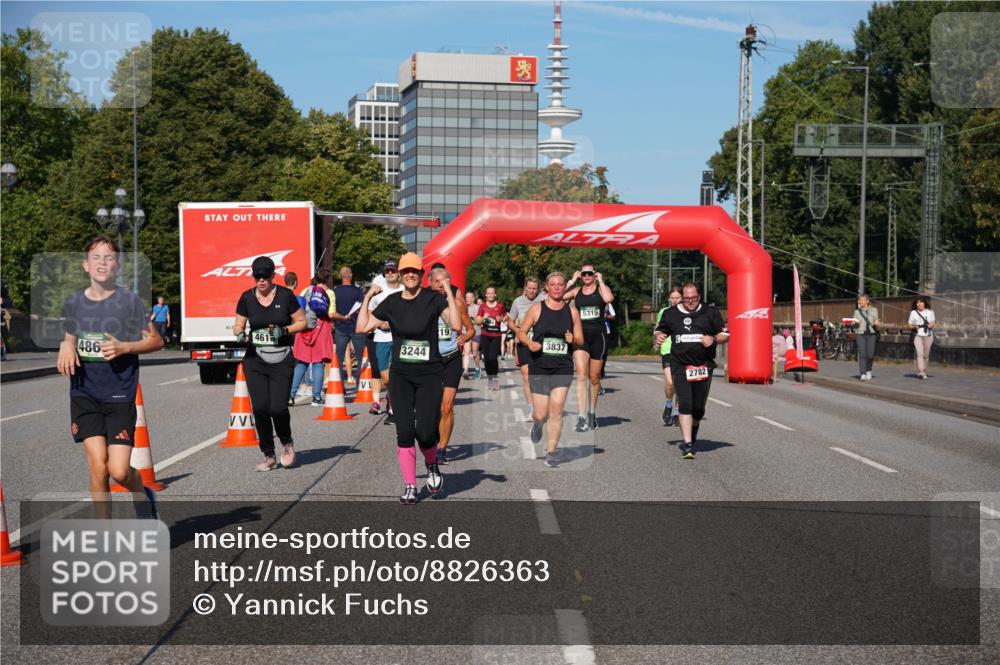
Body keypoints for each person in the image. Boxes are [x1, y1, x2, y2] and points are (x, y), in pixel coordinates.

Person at [57, 236, 163, 519]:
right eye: (96, 257)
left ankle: (140, 489)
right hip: (84, 392)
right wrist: (66, 345)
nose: (102, 263)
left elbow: (156, 341)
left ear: (116, 266)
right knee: (97, 465)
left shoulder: (129, 302)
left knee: (117, 471)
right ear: (85, 265)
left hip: (119, 393)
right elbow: (69, 337)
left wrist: (125, 347)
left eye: (108, 258)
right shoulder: (75, 303)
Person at [357, 252, 461, 504]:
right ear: (401, 276)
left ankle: (432, 463)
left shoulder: (433, 299)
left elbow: (457, 325)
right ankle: (410, 485)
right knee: (404, 432)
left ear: (421, 274)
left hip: (429, 374)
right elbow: (362, 327)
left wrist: (447, 291)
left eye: (415, 271)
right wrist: (368, 297)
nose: (410, 275)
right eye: (406, 272)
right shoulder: (391, 302)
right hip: (401, 374)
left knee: (425, 433)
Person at [233, 255, 307, 471]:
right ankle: (268, 454)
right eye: (257, 276)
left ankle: (286, 443)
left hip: (281, 358)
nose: (261, 280)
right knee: (261, 409)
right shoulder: (246, 298)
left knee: (278, 408)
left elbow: (301, 322)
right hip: (255, 360)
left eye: (265, 276)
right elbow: (238, 325)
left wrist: (284, 330)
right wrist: (240, 334)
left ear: (273, 276)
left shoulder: (285, 296)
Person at [653, 282, 729, 459]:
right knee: (685, 404)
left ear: (699, 297)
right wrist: (659, 336)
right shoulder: (671, 314)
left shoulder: (710, 312)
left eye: (693, 298)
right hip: (679, 364)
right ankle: (687, 444)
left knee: (698, 408)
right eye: (686, 299)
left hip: (703, 365)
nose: (690, 302)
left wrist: (713, 339)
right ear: (682, 298)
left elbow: (726, 334)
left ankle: (693, 430)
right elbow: (659, 330)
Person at [518, 272, 583, 468]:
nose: (556, 287)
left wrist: (574, 340)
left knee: (556, 410)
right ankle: (537, 424)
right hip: (539, 365)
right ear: (546, 287)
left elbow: (580, 340)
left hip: (562, 366)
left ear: (565, 288)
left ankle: (551, 452)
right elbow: (521, 332)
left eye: (560, 284)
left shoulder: (572, 312)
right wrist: (530, 343)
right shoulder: (537, 309)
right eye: (552, 284)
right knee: (541, 414)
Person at [430, 265, 475, 465]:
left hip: (451, 358)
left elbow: (471, 329)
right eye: (437, 281)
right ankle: (432, 437)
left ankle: (442, 449)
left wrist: (465, 336)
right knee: (431, 408)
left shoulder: (457, 303)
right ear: (430, 283)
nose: (441, 284)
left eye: (445, 280)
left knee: (447, 407)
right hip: (429, 361)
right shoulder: (423, 301)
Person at [563, 264, 614, 431]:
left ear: (594, 274)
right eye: (583, 273)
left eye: (589, 274)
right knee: (581, 375)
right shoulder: (576, 291)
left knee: (594, 378)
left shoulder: (600, 290)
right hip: (580, 337)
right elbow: (559, 296)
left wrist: (601, 280)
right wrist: (572, 279)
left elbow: (608, 299)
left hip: (599, 337)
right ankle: (581, 416)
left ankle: (592, 413)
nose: (586, 276)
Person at [292, 271, 344, 406]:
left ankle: (290, 395)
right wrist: (344, 317)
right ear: (328, 279)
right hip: (321, 328)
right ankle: (316, 398)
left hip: (304, 328)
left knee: (302, 362)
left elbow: (299, 307)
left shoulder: (305, 290)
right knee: (318, 363)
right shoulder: (330, 293)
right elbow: (331, 314)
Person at [368, 260, 404, 423]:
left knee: (400, 373)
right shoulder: (379, 293)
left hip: (401, 338)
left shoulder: (405, 290)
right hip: (381, 338)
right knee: (386, 377)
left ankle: (396, 406)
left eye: (393, 271)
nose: (390, 273)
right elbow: (370, 313)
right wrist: (379, 323)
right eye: (387, 271)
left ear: (398, 273)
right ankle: (391, 396)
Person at [507, 277, 544, 414]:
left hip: (540, 343)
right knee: (527, 376)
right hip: (524, 342)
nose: (532, 291)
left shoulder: (544, 299)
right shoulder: (518, 302)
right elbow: (510, 321)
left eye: (535, 288)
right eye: (530, 288)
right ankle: (531, 408)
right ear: (525, 287)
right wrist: (518, 331)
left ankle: (541, 402)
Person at [333, 266, 366, 386]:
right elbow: (362, 308)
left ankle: (340, 386)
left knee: (338, 359)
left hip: (340, 327)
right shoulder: (358, 291)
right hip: (357, 327)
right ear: (351, 275)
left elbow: (332, 310)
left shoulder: (335, 291)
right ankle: (360, 385)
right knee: (360, 357)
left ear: (340, 276)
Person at [657, 287, 683, 426]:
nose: (675, 300)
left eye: (677, 297)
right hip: (667, 350)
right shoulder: (664, 312)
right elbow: (658, 329)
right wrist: (658, 337)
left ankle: (678, 411)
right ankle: (668, 405)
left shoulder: (687, 313)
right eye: (672, 298)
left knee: (680, 383)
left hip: (683, 351)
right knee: (670, 383)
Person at [476, 287, 507, 390]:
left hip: (496, 336)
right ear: (486, 295)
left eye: (492, 293)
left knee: (493, 358)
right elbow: (478, 321)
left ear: (495, 295)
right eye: (488, 293)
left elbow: (505, 317)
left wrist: (501, 319)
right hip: (485, 335)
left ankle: (494, 379)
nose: (490, 295)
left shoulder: (500, 306)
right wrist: (484, 317)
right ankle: (490, 379)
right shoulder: (482, 307)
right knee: (487, 359)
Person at [853, 293, 881, 381]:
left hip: (871, 334)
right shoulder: (856, 312)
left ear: (867, 301)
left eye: (861, 300)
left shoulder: (874, 310)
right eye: (859, 300)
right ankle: (863, 373)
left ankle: (868, 370)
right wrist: (855, 324)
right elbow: (853, 324)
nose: (860, 301)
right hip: (860, 334)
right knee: (862, 354)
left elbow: (876, 324)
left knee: (870, 354)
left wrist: (877, 324)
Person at [908, 296, 936, 380]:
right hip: (918, 335)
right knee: (920, 353)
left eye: (921, 302)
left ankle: (924, 369)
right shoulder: (913, 312)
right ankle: (921, 371)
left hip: (928, 335)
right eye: (917, 302)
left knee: (926, 355)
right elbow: (909, 325)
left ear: (924, 303)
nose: (919, 304)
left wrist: (930, 325)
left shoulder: (930, 312)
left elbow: (933, 323)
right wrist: (914, 327)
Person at [463, 291, 482, 380]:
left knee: (474, 354)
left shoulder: (478, 308)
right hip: (466, 332)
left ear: (473, 299)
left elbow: (481, 320)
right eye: (466, 297)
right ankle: (465, 371)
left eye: (469, 297)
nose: (467, 299)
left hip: (476, 332)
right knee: (466, 352)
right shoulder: (463, 307)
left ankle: (477, 368)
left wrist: (473, 317)